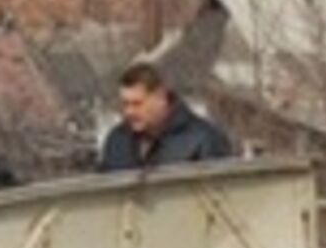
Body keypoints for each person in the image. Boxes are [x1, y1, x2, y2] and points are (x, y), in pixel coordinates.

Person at [99, 62, 235, 171]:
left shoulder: (204, 139)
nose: (129, 112)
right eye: (125, 104)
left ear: (161, 98)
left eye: (137, 104)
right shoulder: (117, 141)